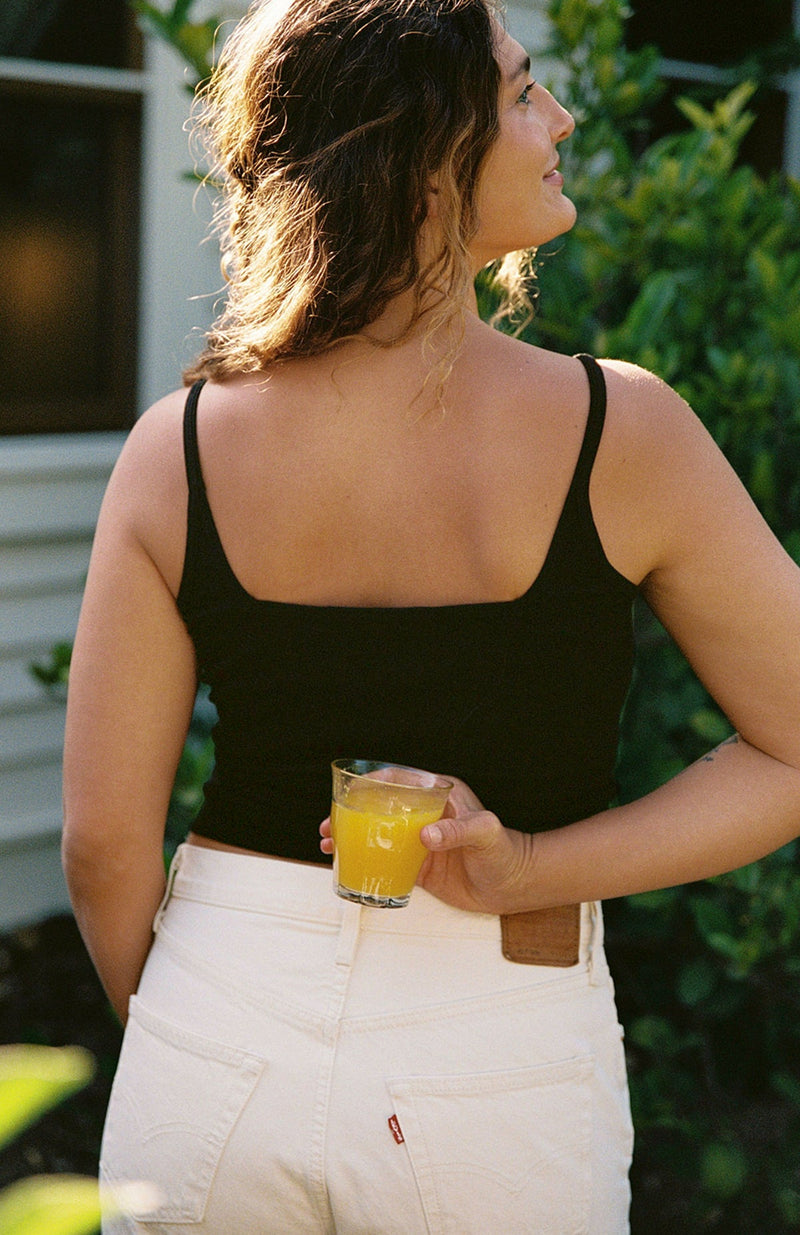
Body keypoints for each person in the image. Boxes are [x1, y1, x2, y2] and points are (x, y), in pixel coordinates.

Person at [61, 0, 800, 1230]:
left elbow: (100, 847)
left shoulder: (175, 447)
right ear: (422, 162)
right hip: (496, 1046)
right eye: (519, 92)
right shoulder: (619, 430)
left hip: (215, 1019)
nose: (559, 119)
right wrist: (529, 868)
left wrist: (194, 1029)